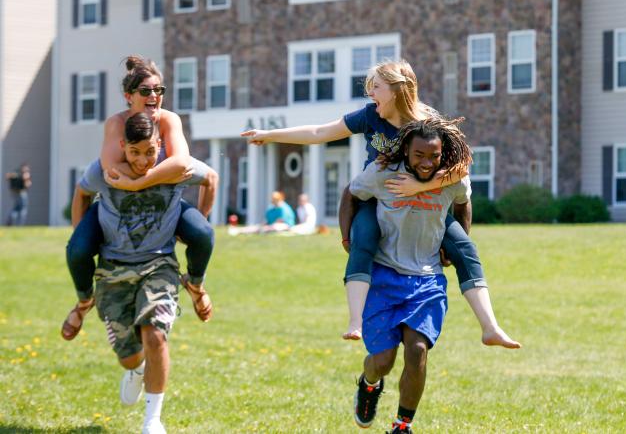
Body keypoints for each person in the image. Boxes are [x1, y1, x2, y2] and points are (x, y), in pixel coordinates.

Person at [242, 59, 517, 347]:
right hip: (375, 200)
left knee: (464, 248)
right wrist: (269, 135)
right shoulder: (370, 116)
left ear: (397, 91)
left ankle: (490, 327)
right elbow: (319, 133)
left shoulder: (428, 123)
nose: (370, 94)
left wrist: (419, 185)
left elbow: (460, 169)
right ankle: (355, 321)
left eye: (376, 87)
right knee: (364, 238)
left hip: (423, 205)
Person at [342, 117, 518, 434]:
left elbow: (464, 204)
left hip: (427, 278)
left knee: (418, 351)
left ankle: (402, 425)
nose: (426, 163)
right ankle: (369, 385)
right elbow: (351, 195)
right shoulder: (382, 174)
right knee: (382, 361)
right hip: (384, 276)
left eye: (433, 156)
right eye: (419, 155)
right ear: (406, 151)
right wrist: (347, 236)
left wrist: (454, 243)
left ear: (443, 154)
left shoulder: (452, 180)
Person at [70, 113, 216, 434]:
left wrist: (192, 221)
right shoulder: (104, 171)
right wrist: (81, 233)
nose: (142, 160)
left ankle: (152, 420)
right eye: (134, 152)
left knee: (155, 335)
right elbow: (81, 193)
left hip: (159, 264)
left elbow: (211, 178)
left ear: (159, 145)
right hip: (113, 269)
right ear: (123, 146)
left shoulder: (173, 168)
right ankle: (136, 370)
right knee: (129, 357)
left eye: (149, 151)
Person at [61, 56, 216, 341]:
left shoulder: (169, 120)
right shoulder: (116, 124)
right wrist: (82, 230)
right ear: (128, 96)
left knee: (203, 233)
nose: (154, 96)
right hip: (110, 204)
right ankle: (84, 302)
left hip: (164, 200)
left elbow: (182, 162)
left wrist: (139, 183)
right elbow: (109, 170)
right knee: (78, 250)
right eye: (146, 91)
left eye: (159, 90)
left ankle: (195, 285)